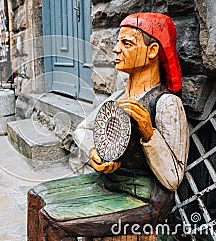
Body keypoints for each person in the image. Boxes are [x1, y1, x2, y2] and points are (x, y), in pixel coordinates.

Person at [27, 13, 190, 239]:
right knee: (36, 197)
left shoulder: (166, 104)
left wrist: (149, 133)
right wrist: (94, 152)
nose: (116, 49)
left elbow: (172, 179)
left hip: (146, 197)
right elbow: (83, 130)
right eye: (117, 42)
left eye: (126, 43)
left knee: (55, 221)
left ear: (152, 51)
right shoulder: (119, 96)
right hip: (110, 183)